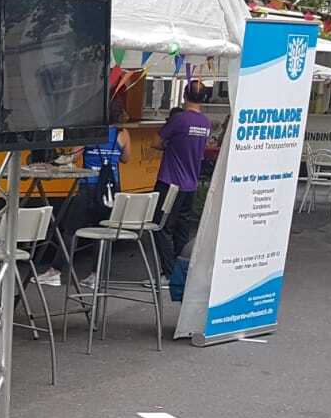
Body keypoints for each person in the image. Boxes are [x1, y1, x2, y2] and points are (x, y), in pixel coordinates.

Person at [35, 103, 130, 286]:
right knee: (103, 231)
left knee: (71, 230)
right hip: (111, 190)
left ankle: (55, 272)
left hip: (88, 186)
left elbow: (73, 156)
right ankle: (96, 275)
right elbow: (126, 158)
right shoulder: (123, 134)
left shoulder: (89, 132)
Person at [152, 83, 212, 275]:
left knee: (160, 226)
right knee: (182, 229)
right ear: (204, 98)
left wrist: (169, 146)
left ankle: (168, 272)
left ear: (184, 96)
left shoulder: (179, 119)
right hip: (191, 184)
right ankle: (180, 272)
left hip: (170, 182)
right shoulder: (206, 123)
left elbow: (156, 142)